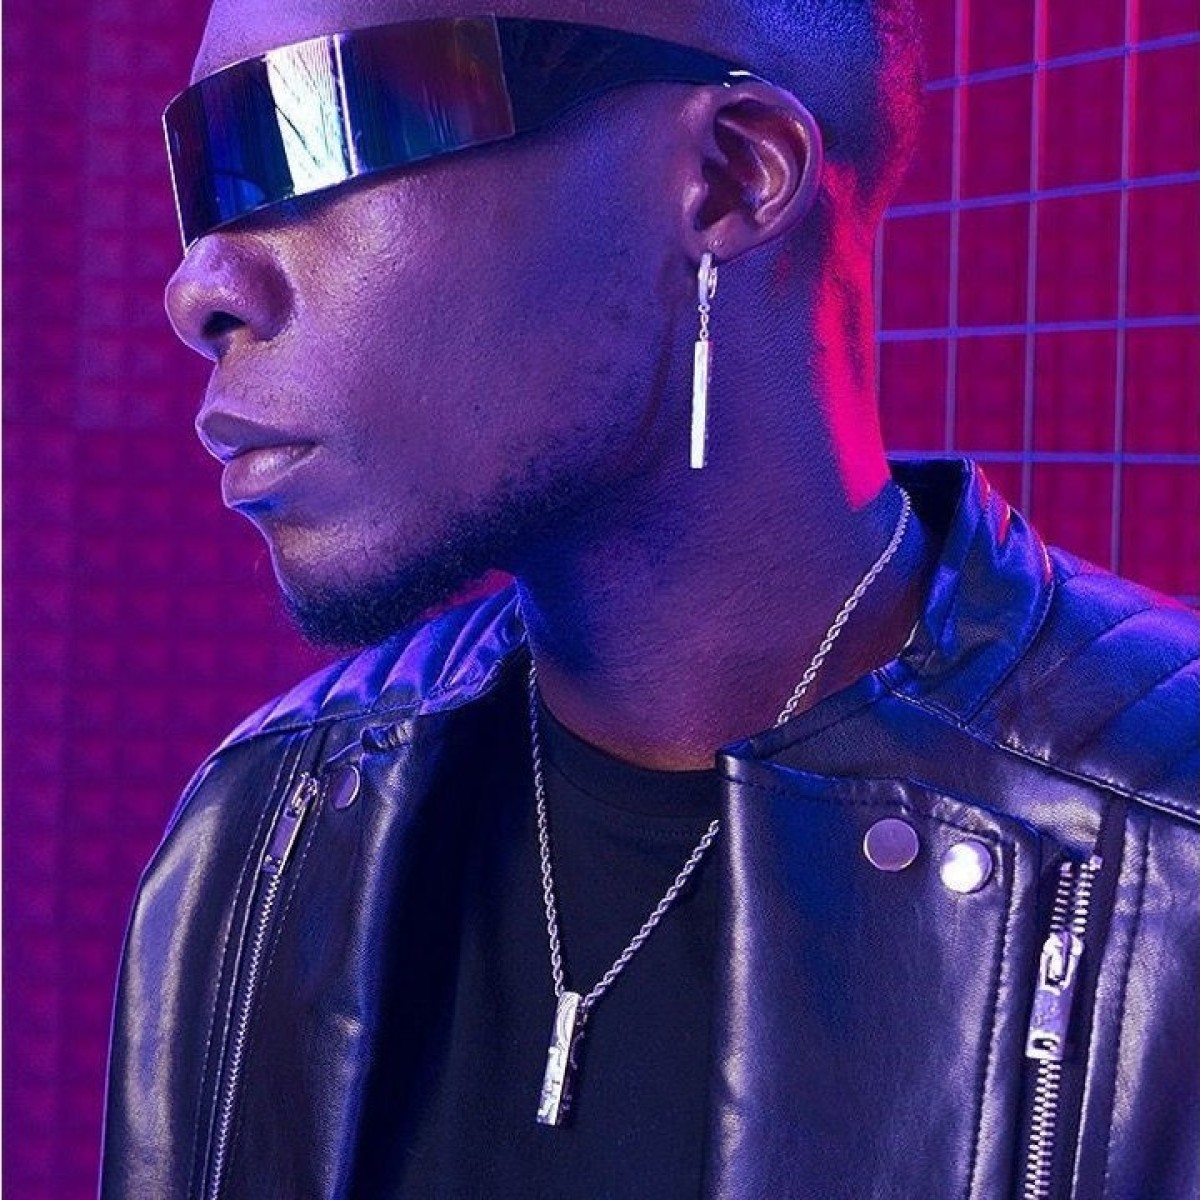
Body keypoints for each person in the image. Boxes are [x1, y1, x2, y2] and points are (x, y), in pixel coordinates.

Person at [100, 1, 1199, 1197]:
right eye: (207, 174)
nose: (200, 287)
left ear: (731, 177)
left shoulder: (1167, 854)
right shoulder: (264, 830)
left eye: (315, 131)